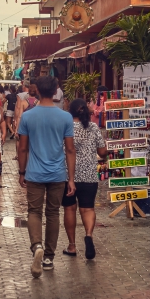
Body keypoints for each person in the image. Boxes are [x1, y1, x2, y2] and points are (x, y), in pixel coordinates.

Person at [17, 76, 76, 278]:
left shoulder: (27, 116)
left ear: (37, 91)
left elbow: (22, 147)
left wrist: (21, 172)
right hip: (58, 173)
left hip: (34, 172)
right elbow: (69, 150)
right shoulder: (66, 117)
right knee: (53, 214)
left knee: (34, 211)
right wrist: (71, 178)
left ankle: (37, 245)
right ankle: (49, 257)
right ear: (56, 90)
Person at [62, 99, 107, 260]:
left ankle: (72, 246)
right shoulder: (93, 128)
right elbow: (102, 152)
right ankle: (88, 235)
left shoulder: (66, 128)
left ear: (71, 111)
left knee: (69, 209)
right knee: (87, 209)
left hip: (68, 175)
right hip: (89, 175)